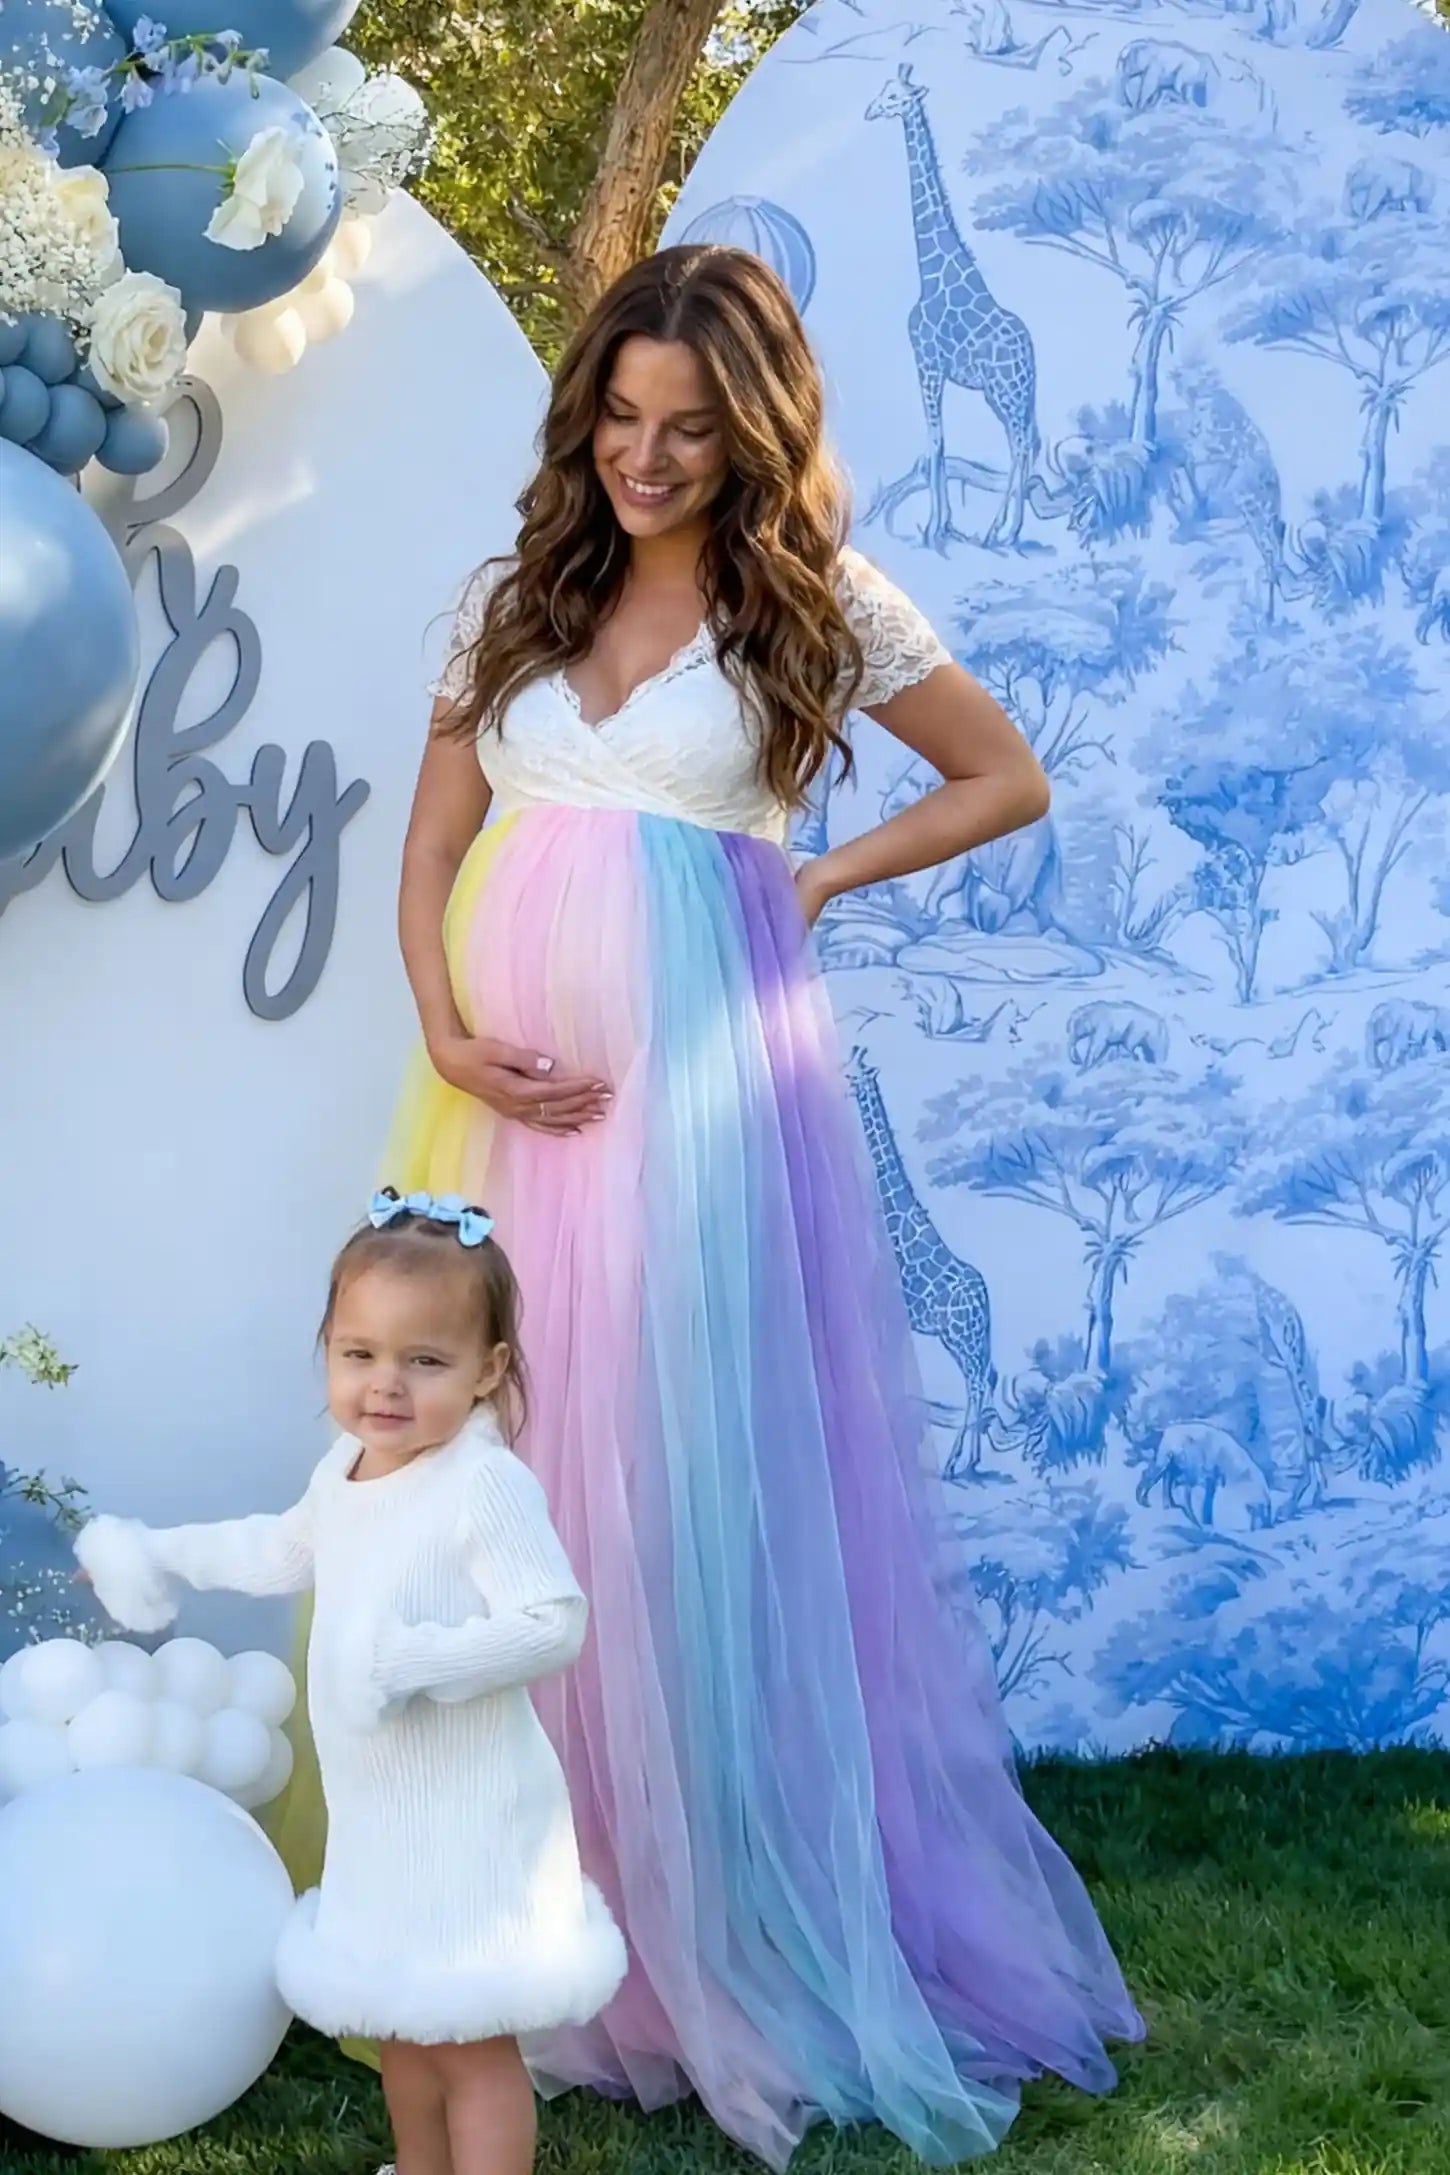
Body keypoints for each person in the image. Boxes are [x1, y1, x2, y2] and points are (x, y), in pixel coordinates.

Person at [280, 243, 1144, 2168]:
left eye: (686, 428)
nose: (647, 458)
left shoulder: (809, 600)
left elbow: (1005, 777)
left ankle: (692, 1940)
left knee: (670, 1489)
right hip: (500, 1105)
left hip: (696, 1105)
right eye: (621, 417)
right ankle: (500, 1923)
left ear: (748, 433)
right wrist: (451, 1020)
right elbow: (428, 847)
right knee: (508, 1465)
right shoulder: (513, 597)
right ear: (585, 410)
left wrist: (815, 889)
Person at [75, 1190, 625, 2175]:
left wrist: (411, 1663)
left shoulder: (480, 1485)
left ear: (489, 1370)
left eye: (425, 1361)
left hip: (469, 1824)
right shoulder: (351, 1465)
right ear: (328, 1348)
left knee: (468, 2038)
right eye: (359, 1354)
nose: (386, 1387)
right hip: (382, 1822)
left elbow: (554, 1623)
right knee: (401, 2030)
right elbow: (280, 1548)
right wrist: (151, 1553)